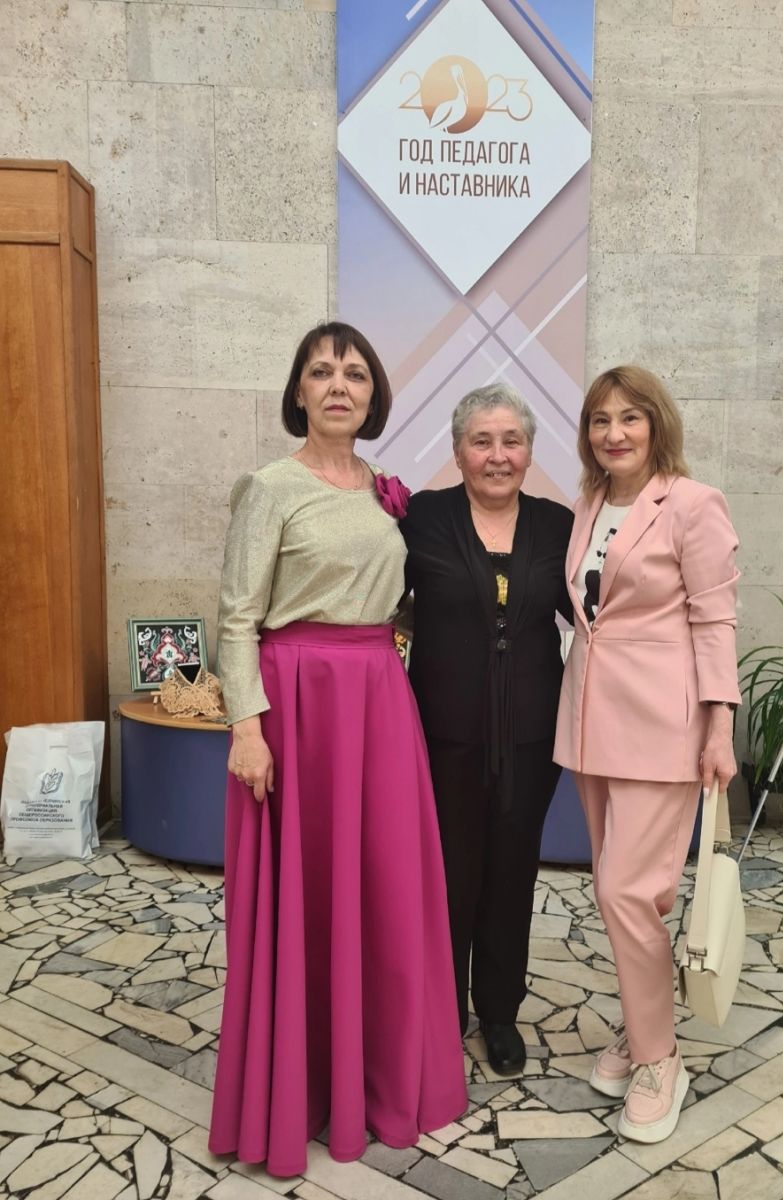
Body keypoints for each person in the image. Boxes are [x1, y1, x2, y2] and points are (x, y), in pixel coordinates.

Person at [208, 322, 466, 1176]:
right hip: (297, 706)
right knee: (303, 895)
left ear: (373, 394)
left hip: (378, 702)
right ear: (299, 393)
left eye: (354, 374)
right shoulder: (269, 488)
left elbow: (403, 601)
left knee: (383, 888)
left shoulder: (388, 494)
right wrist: (247, 726)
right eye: (321, 373)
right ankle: (299, 1090)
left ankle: (379, 1075)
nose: (338, 386)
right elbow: (237, 618)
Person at [554, 365, 740, 1144]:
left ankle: (661, 1060)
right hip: (592, 726)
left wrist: (720, 726)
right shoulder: (589, 503)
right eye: (600, 420)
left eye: (630, 417)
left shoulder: (692, 504)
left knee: (628, 891)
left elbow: (715, 620)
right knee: (618, 895)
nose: (614, 433)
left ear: (657, 424)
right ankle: (641, 1026)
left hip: (665, 727)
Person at [401, 384, 573, 1075]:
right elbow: (374, 598)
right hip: (442, 733)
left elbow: (601, 617)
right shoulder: (422, 517)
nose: (497, 455)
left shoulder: (559, 526)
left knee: (511, 873)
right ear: (457, 450)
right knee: (447, 876)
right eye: (481, 441)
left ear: (529, 451)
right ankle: (441, 1012)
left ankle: (499, 1013)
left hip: (533, 736)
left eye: (512, 441)